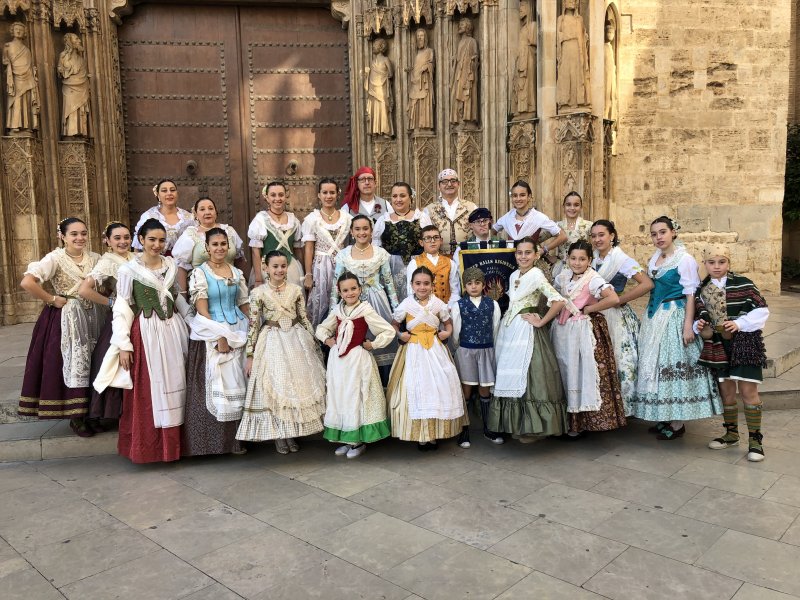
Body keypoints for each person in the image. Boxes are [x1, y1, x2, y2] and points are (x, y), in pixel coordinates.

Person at [94, 219, 189, 463]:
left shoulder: (170, 263)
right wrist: (123, 345)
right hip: (147, 332)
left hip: (173, 331)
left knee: (178, 383)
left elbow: (177, 297)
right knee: (151, 389)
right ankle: (153, 449)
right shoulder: (129, 270)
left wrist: (194, 324)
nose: (157, 245)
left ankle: (177, 447)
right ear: (141, 240)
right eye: (152, 240)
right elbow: (123, 308)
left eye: (161, 240)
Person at [632, 216, 722, 440]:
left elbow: (691, 294)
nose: (658, 237)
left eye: (662, 232)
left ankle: (678, 422)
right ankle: (665, 415)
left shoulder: (684, 259)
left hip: (675, 315)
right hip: (655, 318)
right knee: (657, 364)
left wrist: (688, 327)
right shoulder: (656, 258)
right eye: (654, 234)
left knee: (674, 363)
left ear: (673, 232)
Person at [236, 251, 326, 454]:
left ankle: (292, 432)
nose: (279, 270)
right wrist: (250, 355)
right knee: (277, 385)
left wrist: (312, 340)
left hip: (295, 339)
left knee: (296, 385)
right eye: (275, 266)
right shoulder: (258, 293)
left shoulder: (295, 290)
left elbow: (303, 317)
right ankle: (279, 436)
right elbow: (253, 325)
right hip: (272, 339)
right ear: (265, 268)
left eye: (283, 266)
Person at [19, 217, 101, 437]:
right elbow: (27, 282)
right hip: (67, 318)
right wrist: (51, 298)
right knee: (74, 361)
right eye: (74, 234)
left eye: (83, 233)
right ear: (62, 236)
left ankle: (93, 413)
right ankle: (76, 416)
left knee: (94, 361)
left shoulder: (95, 258)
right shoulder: (55, 258)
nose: (80, 238)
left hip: (94, 315)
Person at [695, 244, 769, 462]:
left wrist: (739, 324)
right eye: (711, 262)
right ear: (705, 264)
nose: (717, 267)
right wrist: (699, 327)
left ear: (729, 262)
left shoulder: (744, 284)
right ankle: (731, 434)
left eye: (722, 262)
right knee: (726, 393)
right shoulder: (701, 289)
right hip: (717, 345)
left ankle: (755, 441)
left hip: (744, 343)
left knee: (748, 391)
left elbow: (762, 310)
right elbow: (699, 317)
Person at [490, 237, 567, 442]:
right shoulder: (515, 274)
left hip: (527, 329)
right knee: (511, 373)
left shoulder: (537, 275)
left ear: (535, 255)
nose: (523, 256)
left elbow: (559, 301)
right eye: (519, 253)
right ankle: (517, 425)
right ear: (515, 255)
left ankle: (533, 428)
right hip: (510, 329)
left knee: (531, 376)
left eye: (527, 253)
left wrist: (541, 322)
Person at [183, 228, 249, 457]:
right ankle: (214, 443)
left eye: (223, 244)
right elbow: (202, 310)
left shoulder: (237, 272)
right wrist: (220, 336)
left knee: (239, 385)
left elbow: (243, 304)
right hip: (212, 332)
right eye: (215, 244)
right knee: (219, 386)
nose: (220, 248)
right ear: (207, 247)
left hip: (238, 330)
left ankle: (237, 440)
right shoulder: (200, 274)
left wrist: (256, 328)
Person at [316, 272, 396, 458]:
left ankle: (358, 441)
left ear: (360, 289)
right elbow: (321, 328)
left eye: (353, 288)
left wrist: (373, 344)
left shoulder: (365, 309)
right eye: (345, 290)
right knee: (341, 395)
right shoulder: (337, 310)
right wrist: (327, 340)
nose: (350, 293)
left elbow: (387, 330)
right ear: (340, 292)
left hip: (357, 360)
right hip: (339, 360)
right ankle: (346, 438)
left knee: (356, 395)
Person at [387, 266, 467, 451]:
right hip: (413, 349)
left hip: (435, 349)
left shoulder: (438, 304)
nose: (422, 287)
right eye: (418, 284)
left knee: (438, 387)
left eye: (426, 283)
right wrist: (401, 334)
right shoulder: (406, 305)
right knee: (415, 386)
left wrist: (446, 333)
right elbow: (394, 324)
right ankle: (420, 435)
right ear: (411, 285)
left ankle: (434, 433)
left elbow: (447, 323)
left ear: (432, 285)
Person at [551, 240, 626, 436]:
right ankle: (566, 421)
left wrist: (590, 308)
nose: (577, 263)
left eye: (582, 259)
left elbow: (613, 298)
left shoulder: (593, 279)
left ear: (589, 260)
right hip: (562, 329)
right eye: (573, 258)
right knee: (564, 370)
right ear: (568, 259)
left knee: (580, 371)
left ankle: (582, 423)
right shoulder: (564, 277)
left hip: (581, 330)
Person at [590, 220, 653, 415]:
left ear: (612, 236)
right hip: (595, 312)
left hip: (615, 317)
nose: (597, 239)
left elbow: (646, 283)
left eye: (602, 235)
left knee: (618, 360)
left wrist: (620, 299)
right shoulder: (592, 258)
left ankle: (619, 409)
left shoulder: (622, 260)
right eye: (594, 236)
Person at [332, 215, 399, 384]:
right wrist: (334, 309)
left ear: (371, 231)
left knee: (379, 339)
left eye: (365, 229)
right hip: (351, 303)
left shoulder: (380, 253)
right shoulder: (343, 254)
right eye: (357, 229)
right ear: (352, 232)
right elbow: (336, 283)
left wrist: (396, 311)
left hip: (377, 301)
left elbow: (389, 282)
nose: (362, 232)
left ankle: (381, 384)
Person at [79, 222, 134, 426]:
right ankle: (115, 412)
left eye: (126, 237)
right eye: (117, 238)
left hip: (139, 316)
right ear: (108, 241)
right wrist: (111, 302)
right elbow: (84, 289)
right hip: (121, 317)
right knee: (114, 361)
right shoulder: (107, 261)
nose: (123, 241)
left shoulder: (135, 257)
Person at [451, 266, 503, 446]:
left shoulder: (492, 304)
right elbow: (455, 331)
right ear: (465, 286)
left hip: (486, 350)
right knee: (466, 388)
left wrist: (492, 347)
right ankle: (463, 430)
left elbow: (495, 328)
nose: (473, 286)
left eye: (477, 283)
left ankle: (488, 428)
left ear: (483, 285)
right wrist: (460, 348)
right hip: (466, 351)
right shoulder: (459, 305)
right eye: (469, 283)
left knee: (484, 389)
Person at [172, 197, 245, 302]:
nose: (207, 212)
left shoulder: (229, 231)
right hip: (203, 290)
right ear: (196, 214)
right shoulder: (190, 234)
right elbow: (181, 266)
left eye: (211, 208)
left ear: (216, 212)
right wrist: (183, 296)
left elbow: (239, 258)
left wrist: (245, 282)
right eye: (202, 209)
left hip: (231, 286)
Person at [302, 178, 352, 328]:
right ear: (319, 195)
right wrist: (308, 275)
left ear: (338, 194)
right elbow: (309, 248)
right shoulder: (312, 219)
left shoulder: (347, 218)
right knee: (321, 303)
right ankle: (321, 341)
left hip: (343, 264)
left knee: (344, 299)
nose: (328, 196)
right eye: (325, 192)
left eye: (332, 192)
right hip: (320, 266)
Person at [493, 180, 565, 277]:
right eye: (515, 195)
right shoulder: (507, 217)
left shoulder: (538, 217)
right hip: (509, 263)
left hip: (532, 264)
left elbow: (562, 236)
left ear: (529, 197)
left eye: (522, 195)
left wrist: (544, 250)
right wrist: (501, 247)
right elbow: (492, 232)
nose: (518, 198)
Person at [373, 181, 431, 302]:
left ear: (410, 198)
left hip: (418, 266)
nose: (398, 199)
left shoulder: (421, 218)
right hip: (391, 268)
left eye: (402, 196)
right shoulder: (383, 220)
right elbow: (376, 248)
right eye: (394, 196)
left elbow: (429, 244)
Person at [248, 181, 305, 289]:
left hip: (290, 268)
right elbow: (256, 251)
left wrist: (303, 272)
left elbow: (297, 249)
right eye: (273, 195)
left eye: (281, 195)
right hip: (267, 268)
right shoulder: (261, 219)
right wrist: (258, 278)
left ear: (285, 196)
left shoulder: (293, 220)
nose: (277, 198)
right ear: (267, 198)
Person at [131, 179, 193, 255]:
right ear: (158, 194)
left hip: (184, 264)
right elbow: (137, 248)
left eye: (172, 190)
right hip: (155, 262)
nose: (169, 193)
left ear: (177, 193)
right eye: (164, 191)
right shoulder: (148, 216)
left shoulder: (188, 217)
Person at [424, 169, 478, 256]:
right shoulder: (429, 210)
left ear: (458, 184)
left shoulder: (472, 207)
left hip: (467, 257)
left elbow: (479, 234)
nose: (449, 184)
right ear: (439, 186)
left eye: (453, 181)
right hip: (439, 259)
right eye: (445, 182)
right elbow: (426, 237)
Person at [406, 225, 460, 304]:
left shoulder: (450, 263)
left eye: (436, 237)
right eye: (427, 238)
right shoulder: (414, 263)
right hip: (423, 310)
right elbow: (411, 291)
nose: (432, 241)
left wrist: (449, 307)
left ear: (441, 240)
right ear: (421, 242)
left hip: (447, 308)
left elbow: (455, 290)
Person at [548, 191, 594, 279]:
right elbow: (535, 240)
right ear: (564, 207)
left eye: (576, 205)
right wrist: (547, 255)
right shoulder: (557, 226)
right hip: (562, 269)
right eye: (568, 204)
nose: (572, 208)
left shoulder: (589, 225)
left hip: (582, 268)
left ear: (581, 207)